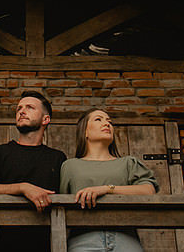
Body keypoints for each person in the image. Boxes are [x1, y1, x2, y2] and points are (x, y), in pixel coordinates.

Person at [0, 90, 68, 251]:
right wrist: (23, 187)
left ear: (46, 119)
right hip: (7, 243)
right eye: (19, 108)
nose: (22, 111)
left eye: (30, 107)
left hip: (48, 244)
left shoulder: (57, 158)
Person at [59, 108, 158, 252]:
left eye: (109, 122)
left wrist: (106, 189)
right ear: (84, 132)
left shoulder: (128, 163)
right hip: (83, 239)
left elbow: (148, 191)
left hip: (125, 237)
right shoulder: (70, 166)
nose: (107, 124)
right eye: (99, 119)